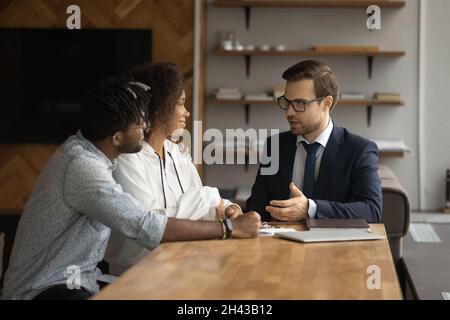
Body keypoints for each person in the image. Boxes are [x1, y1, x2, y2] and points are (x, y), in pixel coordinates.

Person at [2, 77, 261, 300]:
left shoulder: (89, 152)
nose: (147, 128)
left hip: (84, 280)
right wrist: (229, 229)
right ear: (117, 137)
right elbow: (146, 226)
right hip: (44, 290)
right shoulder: (83, 166)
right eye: (139, 124)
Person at [106, 63, 243, 274]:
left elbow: (200, 211)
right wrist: (211, 199)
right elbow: (149, 225)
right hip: (137, 274)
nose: (186, 112)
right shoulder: (126, 159)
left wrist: (225, 210)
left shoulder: (177, 153)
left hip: (183, 264)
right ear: (160, 106)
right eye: (180, 104)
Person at [246, 60, 382, 223]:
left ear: (326, 103)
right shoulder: (274, 145)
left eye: (300, 103)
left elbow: (371, 211)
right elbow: (256, 205)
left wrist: (310, 209)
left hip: (334, 245)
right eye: (287, 102)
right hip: (280, 244)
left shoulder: (359, 150)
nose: (289, 112)